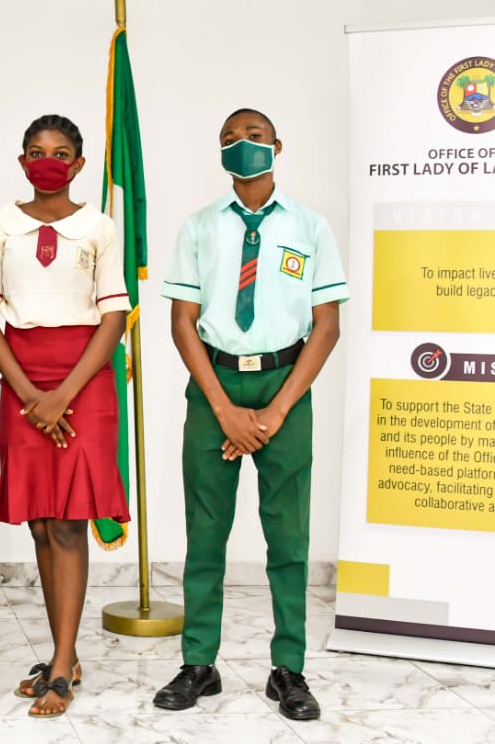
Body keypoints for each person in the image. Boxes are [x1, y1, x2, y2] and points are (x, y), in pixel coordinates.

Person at [153, 109, 347, 722]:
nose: (243, 147)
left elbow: (327, 326)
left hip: (287, 384)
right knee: (205, 531)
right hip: (214, 384)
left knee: (288, 537)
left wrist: (276, 409)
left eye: (254, 137)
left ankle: (288, 668)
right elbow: (183, 323)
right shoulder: (198, 228)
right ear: (220, 155)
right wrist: (224, 409)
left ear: (277, 147)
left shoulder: (311, 227)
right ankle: (198, 664)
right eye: (231, 140)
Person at [0, 115, 130, 719]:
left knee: (69, 522)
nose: (49, 161)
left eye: (61, 152)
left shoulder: (99, 226)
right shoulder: (1, 224)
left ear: (79, 164)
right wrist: (27, 393)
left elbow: (113, 318)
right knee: (41, 522)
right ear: (22, 162)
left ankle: (63, 662)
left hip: (83, 380)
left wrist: (62, 395)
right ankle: (59, 650)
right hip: (21, 374)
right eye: (38, 152)